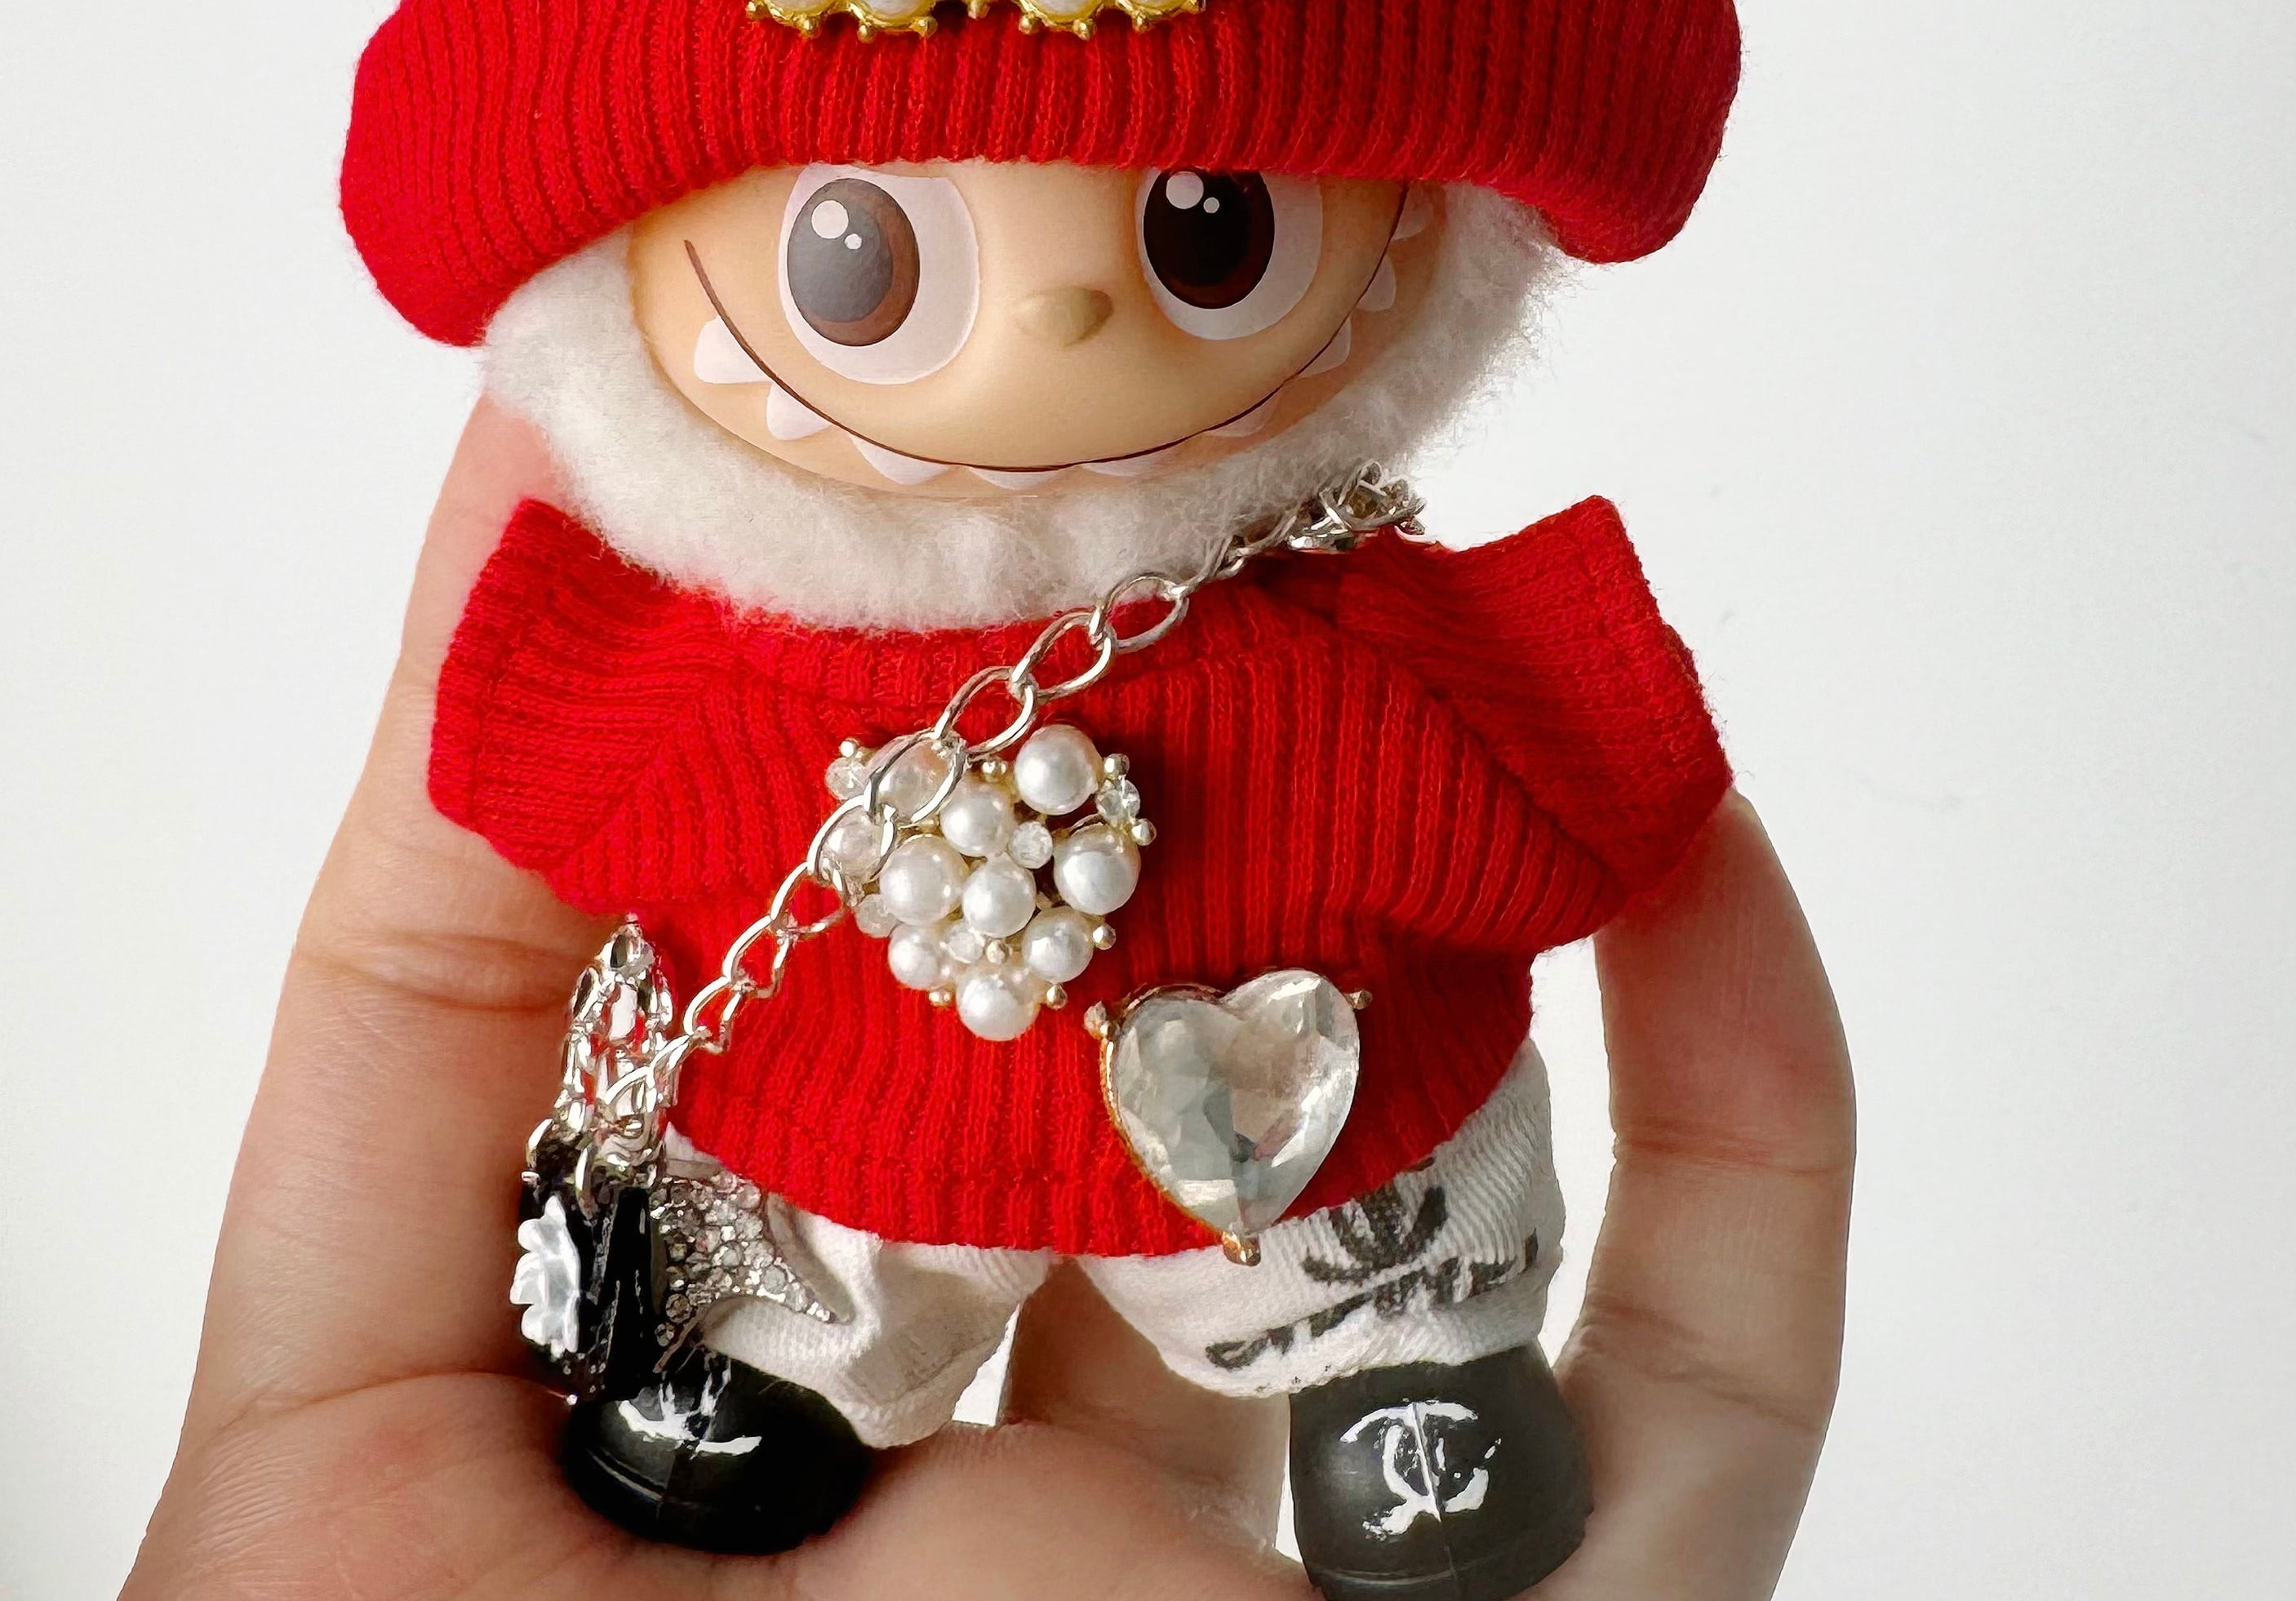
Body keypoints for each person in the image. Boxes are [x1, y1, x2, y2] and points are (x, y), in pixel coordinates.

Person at [123, 404, 1853, 1600]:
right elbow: (574, 762)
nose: (1059, 313)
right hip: (859, 1123)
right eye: (861, 258)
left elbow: (1542, 766)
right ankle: (789, 1372)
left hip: (1304, 1119)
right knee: (827, 1233)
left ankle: (1403, 1384)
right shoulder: (760, 632)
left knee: (1374, 1225)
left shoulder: (1349, 624)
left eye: (1206, 228)